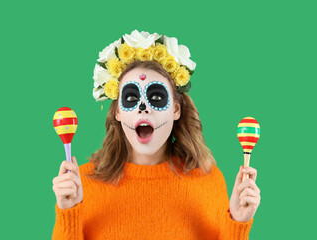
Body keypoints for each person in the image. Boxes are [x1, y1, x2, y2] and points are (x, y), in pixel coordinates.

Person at [52, 30, 261, 240]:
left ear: (176, 109)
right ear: (117, 111)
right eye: (132, 97)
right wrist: (68, 212)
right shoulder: (81, 185)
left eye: (156, 96)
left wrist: (238, 222)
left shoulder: (209, 181)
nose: (143, 107)